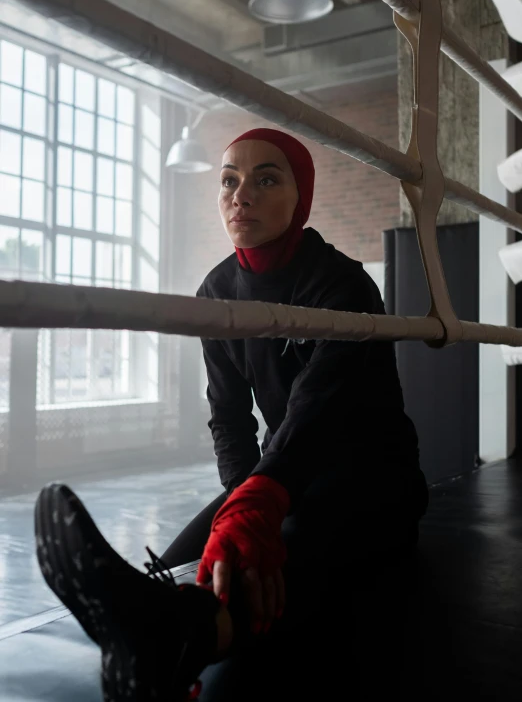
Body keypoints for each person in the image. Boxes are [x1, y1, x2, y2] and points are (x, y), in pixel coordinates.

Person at [35, 128, 429, 701]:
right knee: (180, 566)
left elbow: (317, 410)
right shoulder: (216, 289)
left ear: (301, 198)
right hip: (279, 473)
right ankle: (157, 617)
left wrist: (258, 504)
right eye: (229, 181)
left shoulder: (343, 284)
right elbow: (228, 416)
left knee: (285, 554)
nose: (240, 195)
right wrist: (238, 502)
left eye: (266, 179)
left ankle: (189, 635)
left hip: (371, 481)